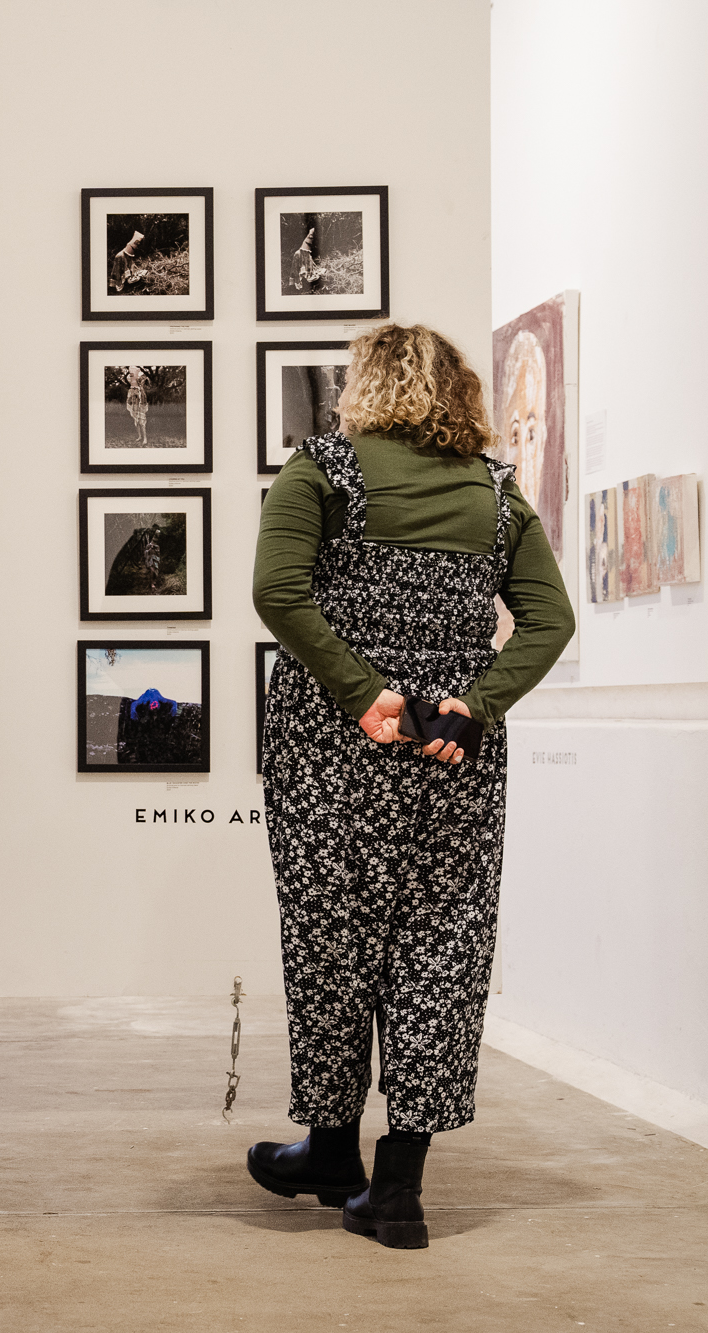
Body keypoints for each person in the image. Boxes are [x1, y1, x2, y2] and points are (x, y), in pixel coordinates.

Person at [249, 324, 575, 1250]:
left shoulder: (321, 471)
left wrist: (360, 693)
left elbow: (279, 591)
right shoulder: (499, 491)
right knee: (443, 950)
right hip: (452, 757)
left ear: (368, 385)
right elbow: (550, 620)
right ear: (458, 390)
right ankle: (393, 1190)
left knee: (332, 943)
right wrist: (477, 705)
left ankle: (327, 1142)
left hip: (334, 753)